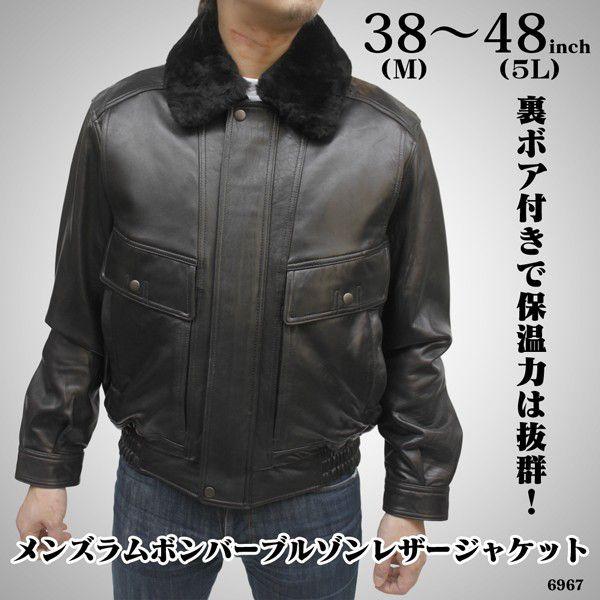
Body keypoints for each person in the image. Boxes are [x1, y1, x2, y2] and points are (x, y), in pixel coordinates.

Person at [14, 0, 463, 597]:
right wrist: (48, 468)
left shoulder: (387, 138)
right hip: (157, 489)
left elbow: (416, 338)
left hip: (315, 497)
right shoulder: (122, 122)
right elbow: (77, 316)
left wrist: (411, 499)